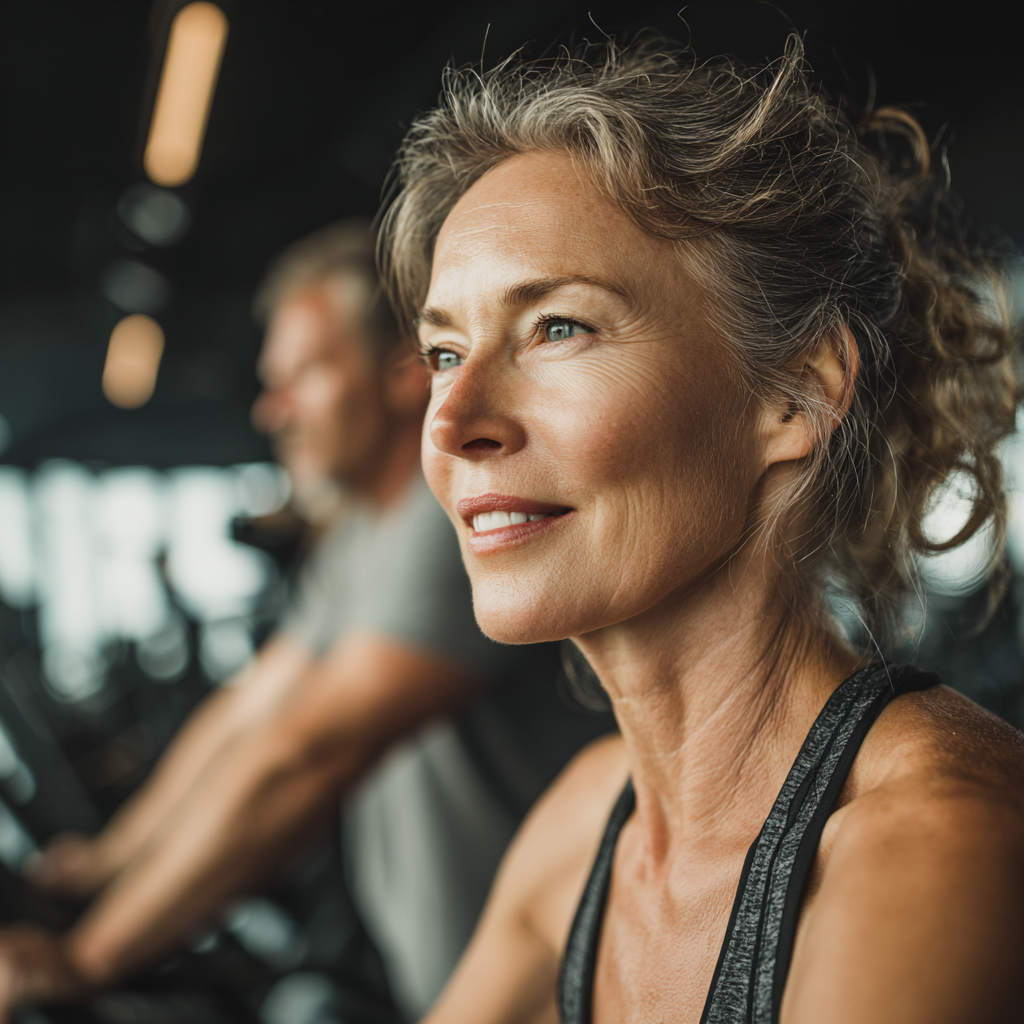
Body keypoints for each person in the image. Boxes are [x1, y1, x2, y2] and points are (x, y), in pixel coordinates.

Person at [374, 35, 1024, 1024]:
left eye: (559, 327)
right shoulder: (592, 817)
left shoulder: (934, 849)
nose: (452, 424)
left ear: (794, 393)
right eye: (444, 349)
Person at [0, 222, 613, 1021]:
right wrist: (106, 864)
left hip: (556, 993)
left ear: (400, 372)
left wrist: (85, 959)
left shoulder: (453, 527)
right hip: (449, 983)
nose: (272, 409)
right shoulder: (358, 537)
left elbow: (306, 754)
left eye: (305, 374)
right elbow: (251, 713)